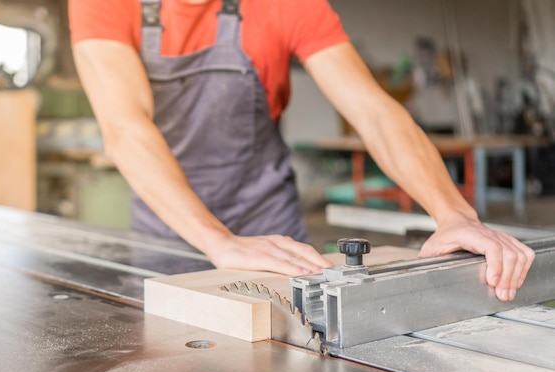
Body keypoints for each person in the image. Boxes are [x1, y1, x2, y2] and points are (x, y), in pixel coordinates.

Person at [68, 0, 534, 301]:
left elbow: (373, 111)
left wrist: (455, 214)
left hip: (271, 222)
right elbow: (126, 127)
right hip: (167, 228)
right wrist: (218, 240)